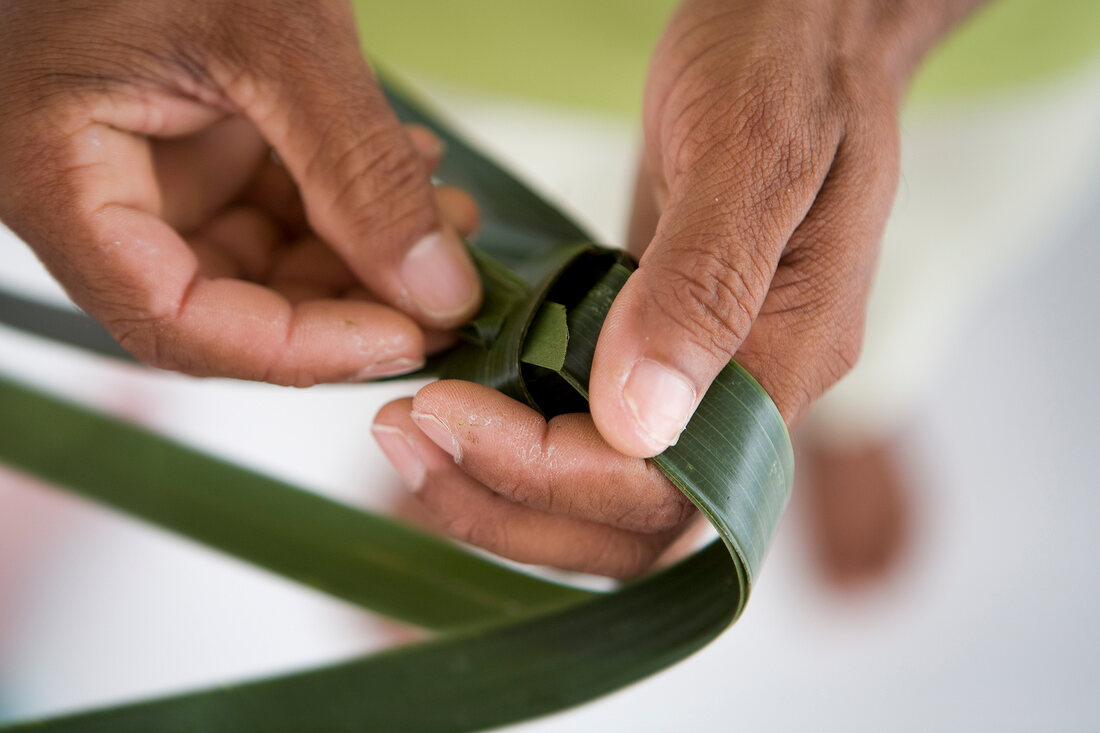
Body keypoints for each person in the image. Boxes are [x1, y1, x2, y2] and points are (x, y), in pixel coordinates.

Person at [0, 0, 988, 578]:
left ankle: (851, 407)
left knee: (846, 258)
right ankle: (498, 430)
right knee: (414, 291)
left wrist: (860, 20)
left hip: (950, 61)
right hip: (371, 44)